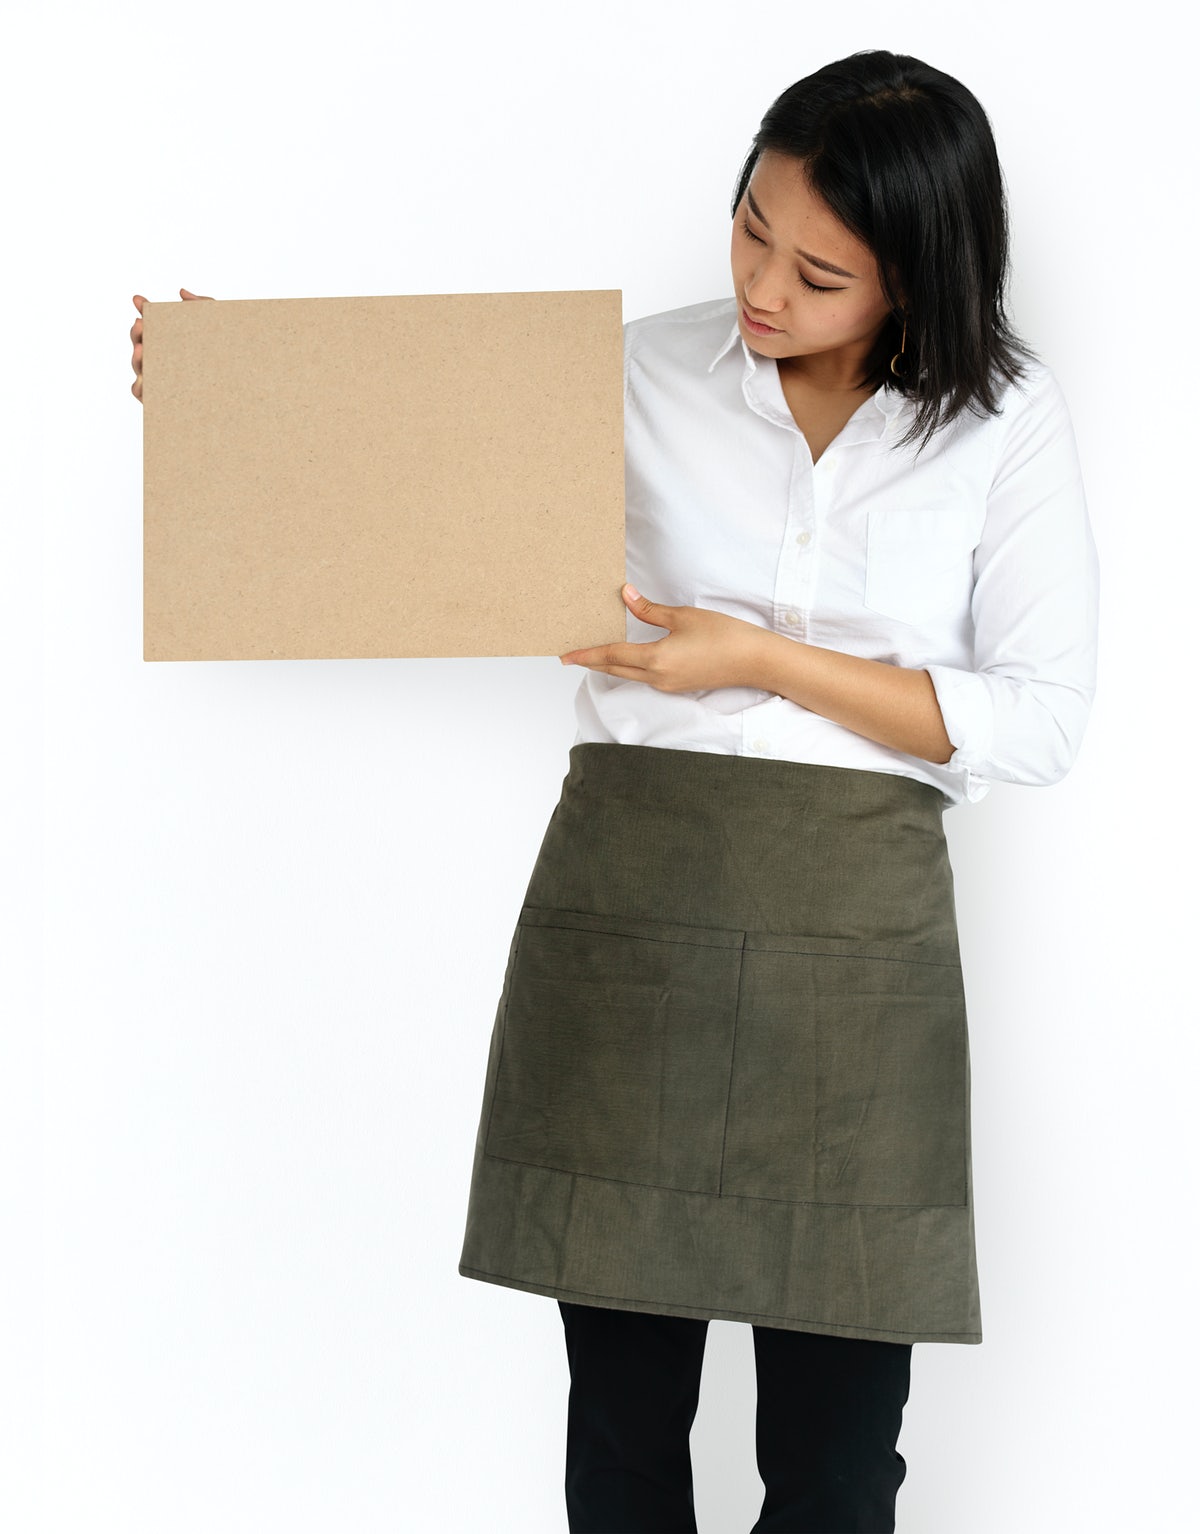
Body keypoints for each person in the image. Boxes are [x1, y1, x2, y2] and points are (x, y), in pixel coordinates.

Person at [130, 48, 1099, 1534]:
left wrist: (762, 661)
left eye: (820, 271)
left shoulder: (1001, 423)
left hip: (862, 952)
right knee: (624, 1443)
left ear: (919, 279)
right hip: (632, 915)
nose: (765, 286)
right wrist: (229, 394)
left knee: (842, 1473)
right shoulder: (633, 373)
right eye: (749, 227)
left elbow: (1036, 721)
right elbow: (389, 477)